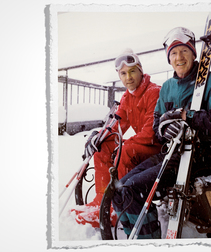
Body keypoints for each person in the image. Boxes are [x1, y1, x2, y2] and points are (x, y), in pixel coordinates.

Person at [112, 27, 211, 239]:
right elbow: (157, 125)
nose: (179, 57)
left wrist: (188, 117)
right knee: (119, 189)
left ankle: (150, 241)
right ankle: (134, 237)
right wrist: (165, 127)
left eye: (184, 51)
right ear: (169, 59)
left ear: (194, 53)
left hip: (200, 157)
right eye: (173, 53)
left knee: (134, 189)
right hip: (171, 154)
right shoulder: (167, 87)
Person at [72, 49, 163, 228]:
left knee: (125, 151)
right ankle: (101, 201)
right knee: (104, 147)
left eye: (132, 71)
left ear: (140, 71)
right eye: (123, 73)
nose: (128, 77)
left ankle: (119, 206)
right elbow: (116, 125)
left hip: (157, 148)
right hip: (142, 145)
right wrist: (99, 137)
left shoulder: (154, 92)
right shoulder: (128, 97)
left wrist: (123, 146)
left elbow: (151, 133)